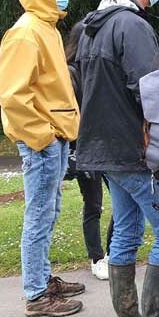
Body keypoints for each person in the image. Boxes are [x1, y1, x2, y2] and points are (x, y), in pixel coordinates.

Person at [75, 0, 159, 317]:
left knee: (126, 231)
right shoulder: (131, 25)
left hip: (102, 148)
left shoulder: (92, 26)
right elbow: (148, 90)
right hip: (133, 149)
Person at [0, 0, 85, 316]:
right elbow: (14, 95)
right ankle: (36, 295)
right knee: (38, 215)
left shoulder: (47, 28)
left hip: (57, 134)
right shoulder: (25, 32)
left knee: (49, 211)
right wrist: (42, 137)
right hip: (44, 138)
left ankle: (43, 279)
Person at [64, 21, 112, 281]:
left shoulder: (100, 69)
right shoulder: (71, 74)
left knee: (125, 201)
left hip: (108, 145)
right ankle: (97, 257)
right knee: (93, 204)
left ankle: (115, 251)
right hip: (85, 150)